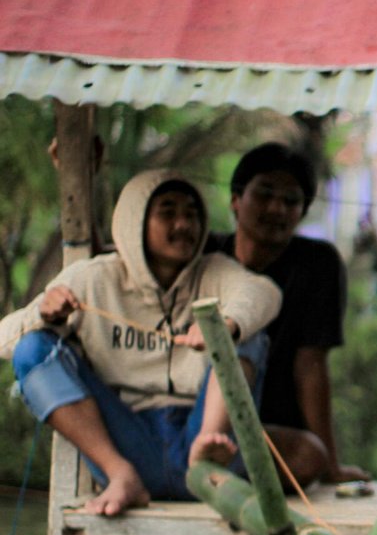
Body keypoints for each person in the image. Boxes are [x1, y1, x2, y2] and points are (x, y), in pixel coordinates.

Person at [0, 169, 282, 516]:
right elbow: (6, 340)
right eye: (168, 212)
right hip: (128, 445)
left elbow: (264, 293)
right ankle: (121, 477)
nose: (183, 224)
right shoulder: (94, 277)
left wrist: (225, 326)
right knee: (34, 348)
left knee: (248, 331)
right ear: (135, 222)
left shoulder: (215, 271)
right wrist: (45, 314)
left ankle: (207, 453)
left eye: (192, 214)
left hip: (201, 441)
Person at [211, 142, 366, 485]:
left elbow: (310, 365)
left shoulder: (318, 263)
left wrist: (330, 464)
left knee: (308, 456)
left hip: (276, 436)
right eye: (264, 194)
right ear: (236, 200)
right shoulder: (205, 255)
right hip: (202, 422)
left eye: (291, 201)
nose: (277, 208)